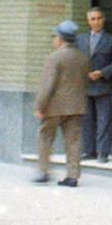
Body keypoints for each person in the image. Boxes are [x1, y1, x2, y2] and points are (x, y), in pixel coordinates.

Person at [34, 20, 90, 187]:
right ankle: (72, 176)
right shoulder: (83, 58)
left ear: (60, 38)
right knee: (73, 141)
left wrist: (40, 105)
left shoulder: (54, 57)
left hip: (54, 107)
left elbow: (48, 85)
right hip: (76, 106)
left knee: (45, 138)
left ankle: (44, 172)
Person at [78, 6, 112, 163]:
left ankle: (103, 153)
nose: (96, 22)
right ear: (88, 21)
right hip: (85, 86)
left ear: (104, 20)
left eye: (99, 18)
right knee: (86, 120)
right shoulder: (80, 40)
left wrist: (102, 73)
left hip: (105, 86)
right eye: (92, 19)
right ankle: (89, 151)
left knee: (104, 121)